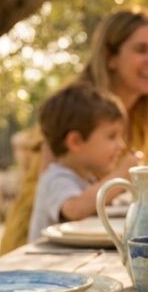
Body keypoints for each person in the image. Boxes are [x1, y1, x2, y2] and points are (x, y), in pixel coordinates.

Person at [0, 8, 148, 254]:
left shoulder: (139, 118)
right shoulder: (77, 111)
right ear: (110, 58)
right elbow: (66, 199)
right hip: (38, 251)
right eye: (141, 49)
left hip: (94, 248)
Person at [28, 83, 127, 242]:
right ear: (76, 142)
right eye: (112, 136)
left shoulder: (89, 179)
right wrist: (120, 176)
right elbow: (74, 209)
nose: (121, 145)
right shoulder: (55, 178)